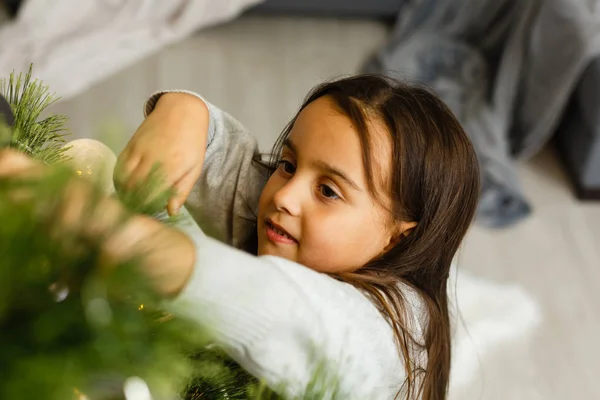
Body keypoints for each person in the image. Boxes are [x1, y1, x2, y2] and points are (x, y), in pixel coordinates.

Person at [0, 75, 480, 399]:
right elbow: (228, 160)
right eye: (289, 163)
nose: (285, 195)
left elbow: (280, 310)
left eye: (328, 190)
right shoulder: (280, 211)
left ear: (398, 238)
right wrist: (185, 112)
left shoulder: (391, 334)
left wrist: (98, 225)